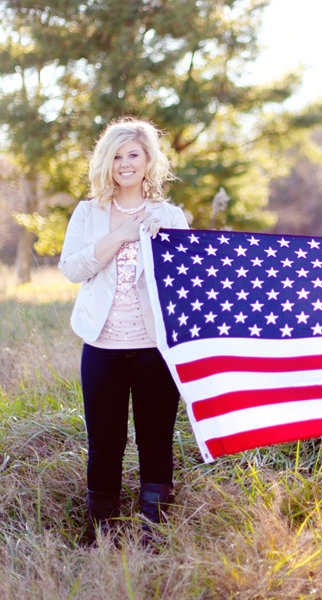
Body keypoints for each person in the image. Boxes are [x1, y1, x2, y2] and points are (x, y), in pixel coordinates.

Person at [59, 117, 189, 542]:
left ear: (149, 160)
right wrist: (120, 235)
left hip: (154, 347)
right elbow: (71, 268)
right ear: (106, 162)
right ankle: (102, 529)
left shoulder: (169, 214)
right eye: (116, 156)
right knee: (105, 439)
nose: (125, 163)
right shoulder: (87, 212)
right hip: (101, 346)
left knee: (156, 439)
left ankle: (154, 529)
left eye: (133, 154)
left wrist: (163, 239)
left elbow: (186, 280)